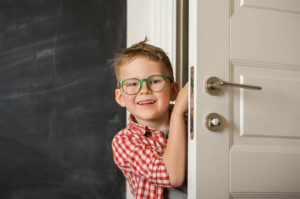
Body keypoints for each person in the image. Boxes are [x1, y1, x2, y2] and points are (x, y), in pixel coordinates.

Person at [111, 38, 188, 199]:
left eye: (154, 81)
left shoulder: (192, 123)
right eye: (132, 84)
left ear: (174, 91)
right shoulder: (124, 142)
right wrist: (178, 112)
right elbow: (172, 177)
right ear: (120, 97)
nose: (144, 90)